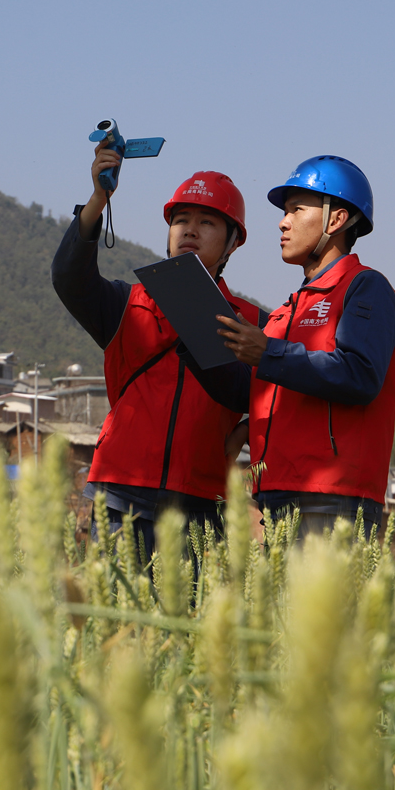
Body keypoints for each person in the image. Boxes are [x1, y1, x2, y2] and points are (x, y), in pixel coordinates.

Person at [51, 139, 264, 561]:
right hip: (117, 499)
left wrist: (245, 430)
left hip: (199, 509)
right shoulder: (126, 304)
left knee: (187, 627)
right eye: (180, 219)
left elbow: (261, 397)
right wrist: (99, 198)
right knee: (114, 625)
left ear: (233, 241)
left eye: (207, 222)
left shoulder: (253, 325)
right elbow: (68, 277)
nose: (189, 229)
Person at [186, 155, 395, 536]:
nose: (283, 222)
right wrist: (192, 337)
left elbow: (359, 375)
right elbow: (251, 389)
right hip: (275, 497)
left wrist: (267, 353)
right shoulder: (286, 310)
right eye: (284, 212)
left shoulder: (366, 287)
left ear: (336, 220)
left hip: (332, 498)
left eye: (296, 210)